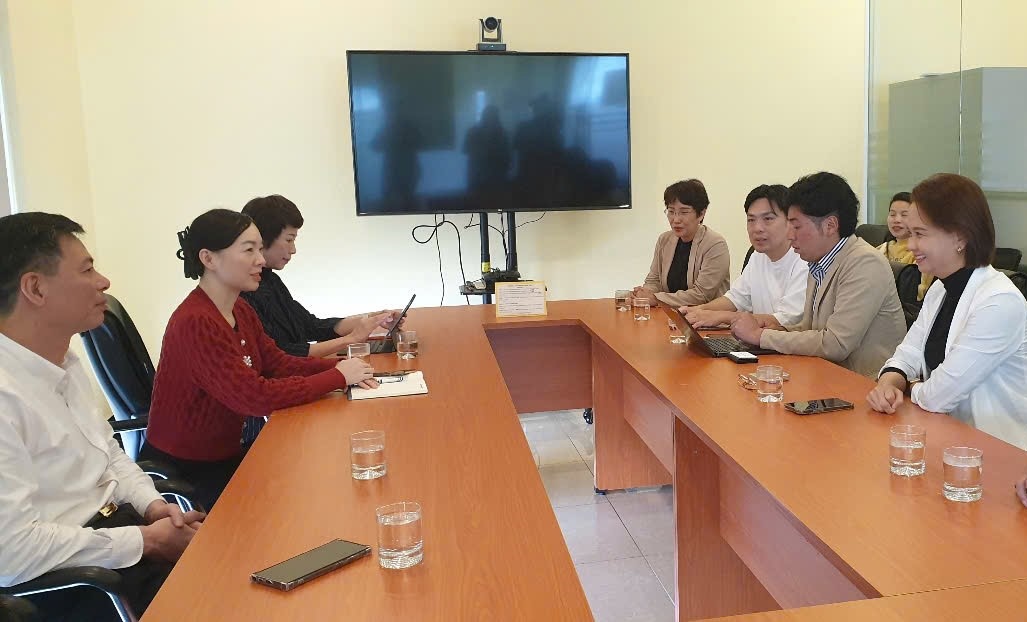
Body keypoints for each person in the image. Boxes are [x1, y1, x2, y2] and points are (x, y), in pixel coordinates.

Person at [0, 212, 205, 619]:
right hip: (76, 582)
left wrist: (152, 506)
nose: (103, 282)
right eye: (87, 269)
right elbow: (13, 551)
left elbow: (108, 454)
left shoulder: (64, 361)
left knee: (246, 562)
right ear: (36, 288)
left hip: (118, 537)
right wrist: (145, 541)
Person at [140, 209, 376, 510]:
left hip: (224, 454)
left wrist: (343, 368)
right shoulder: (196, 321)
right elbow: (254, 397)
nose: (261, 260)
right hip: (188, 470)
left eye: (259, 249)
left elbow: (278, 363)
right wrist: (338, 376)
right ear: (209, 259)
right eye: (249, 250)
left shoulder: (240, 310)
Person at [867, 174, 1027, 450]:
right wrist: (890, 382)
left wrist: (906, 387)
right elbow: (908, 353)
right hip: (947, 440)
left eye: (920, 234)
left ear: (960, 238)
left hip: (999, 454)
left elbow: (938, 396)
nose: (910, 244)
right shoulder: (941, 288)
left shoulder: (1000, 301)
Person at [731, 172, 907, 377]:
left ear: (830, 225)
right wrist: (780, 329)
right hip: (824, 377)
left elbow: (836, 344)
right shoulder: (819, 261)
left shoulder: (865, 263)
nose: (790, 234)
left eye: (796, 226)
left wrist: (760, 336)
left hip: (866, 389)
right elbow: (813, 330)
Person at [239, 194, 396, 359]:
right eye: (289, 240)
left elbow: (312, 326)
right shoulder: (244, 293)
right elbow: (282, 355)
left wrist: (374, 318)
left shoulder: (271, 280)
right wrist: (351, 339)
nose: (293, 250)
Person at [681, 184, 806, 328]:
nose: (757, 228)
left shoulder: (803, 260)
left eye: (768, 219)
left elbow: (786, 320)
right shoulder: (758, 256)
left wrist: (722, 316)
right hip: (759, 344)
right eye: (751, 220)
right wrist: (696, 311)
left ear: (790, 221)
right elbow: (735, 298)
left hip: (786, 347)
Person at [633, 179, 730, 307]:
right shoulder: (665, 240)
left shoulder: (715, 244)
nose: (676, 219)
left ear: (701, 214)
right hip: (670, 317)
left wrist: (656, 299)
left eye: (684, 212)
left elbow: (701, 295)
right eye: (671, 211)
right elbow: (654, 280)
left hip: (706, 321)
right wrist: (644, 294)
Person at [878, 191, 932, 301]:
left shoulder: (923, 253)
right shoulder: (879, 250)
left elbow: (922, 293)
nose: (897, 220)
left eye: (904, 215)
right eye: (892, 214)